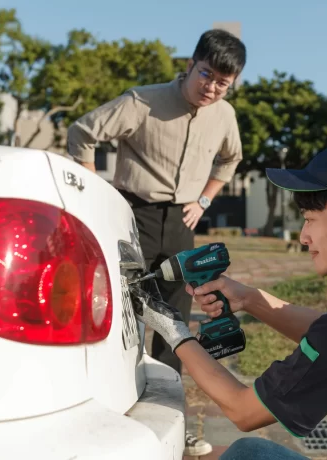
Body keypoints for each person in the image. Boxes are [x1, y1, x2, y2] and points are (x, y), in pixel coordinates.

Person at [129, 146, 327, 460]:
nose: (304, 237)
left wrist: (173, 329)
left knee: (247, 455)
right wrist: (249, 298)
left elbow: (243, 410)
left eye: (311, 219)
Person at [66, 29, 246, 456]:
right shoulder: (141, 101)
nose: (212, 88)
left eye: (223, 83)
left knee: (174, 323)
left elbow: (231, 157)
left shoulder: (224, 116)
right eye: (206, 75)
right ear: (190, 64)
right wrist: (96, 193)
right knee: (118, 312)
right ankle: (105, 416)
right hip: (133, 216)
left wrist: (204, 199)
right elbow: (83, 131)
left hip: (182, 222)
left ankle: (169, 423)